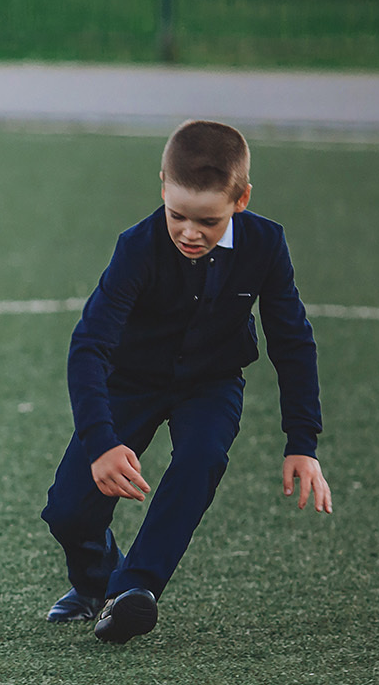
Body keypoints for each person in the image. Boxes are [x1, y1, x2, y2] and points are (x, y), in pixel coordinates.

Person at [40, 120, 332, 645]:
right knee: (68, 511)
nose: (190, 232)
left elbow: (293, 341)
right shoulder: (137, 248)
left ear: (241, 200)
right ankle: (95, 583)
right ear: (162, 188)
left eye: (208, 220)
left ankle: (135, 591)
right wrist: (103, 442)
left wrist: (302, 442)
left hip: (210, 384)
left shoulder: (266, 245)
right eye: (178, 215)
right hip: (131, 380)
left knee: (201, 459)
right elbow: (89, 346)